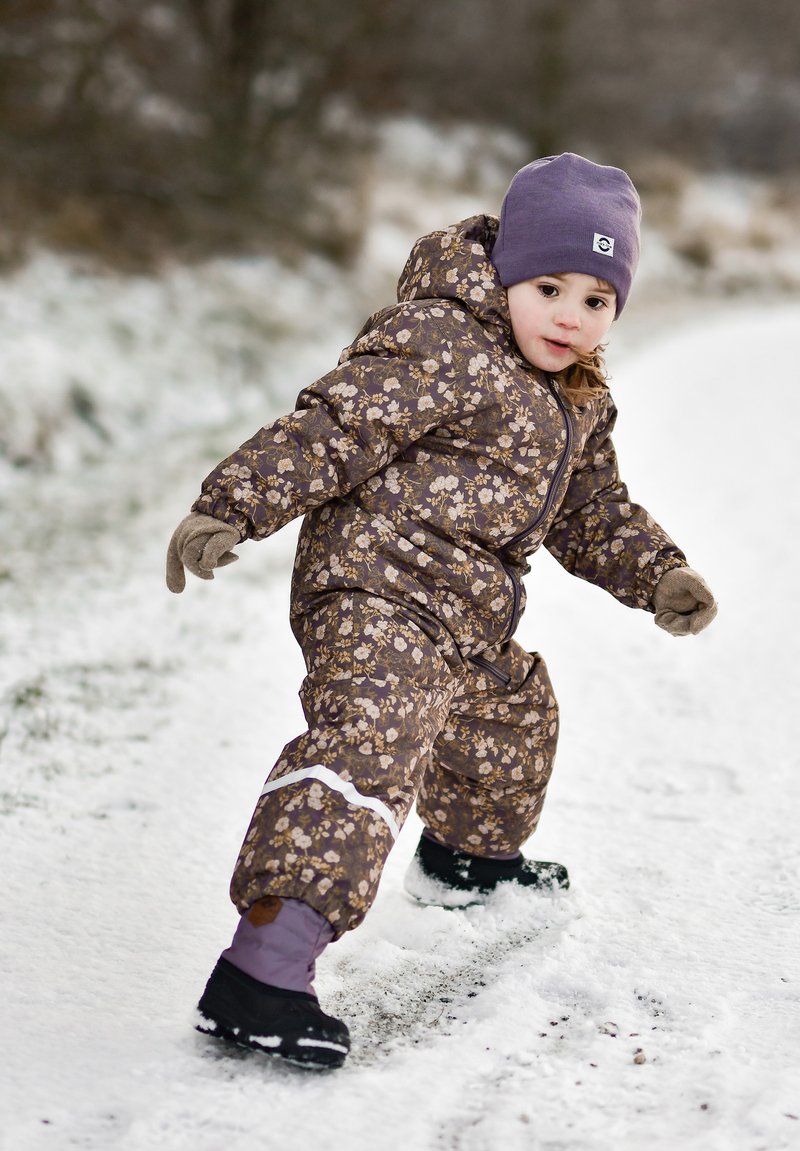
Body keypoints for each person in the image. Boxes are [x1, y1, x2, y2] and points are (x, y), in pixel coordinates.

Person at [166, 153, 717, 1069]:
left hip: (465, 609)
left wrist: (658, 574)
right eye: (550, 287)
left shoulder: (579, 396)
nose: (570, 316)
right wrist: (238, 500)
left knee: (513, 714)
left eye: (596, 299)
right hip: (375, 583)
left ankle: (466, 861)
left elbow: (591, 512)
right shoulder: (439, 340)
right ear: (507, 272)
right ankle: (264, 964)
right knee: (372, 737)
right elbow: (338, 423)